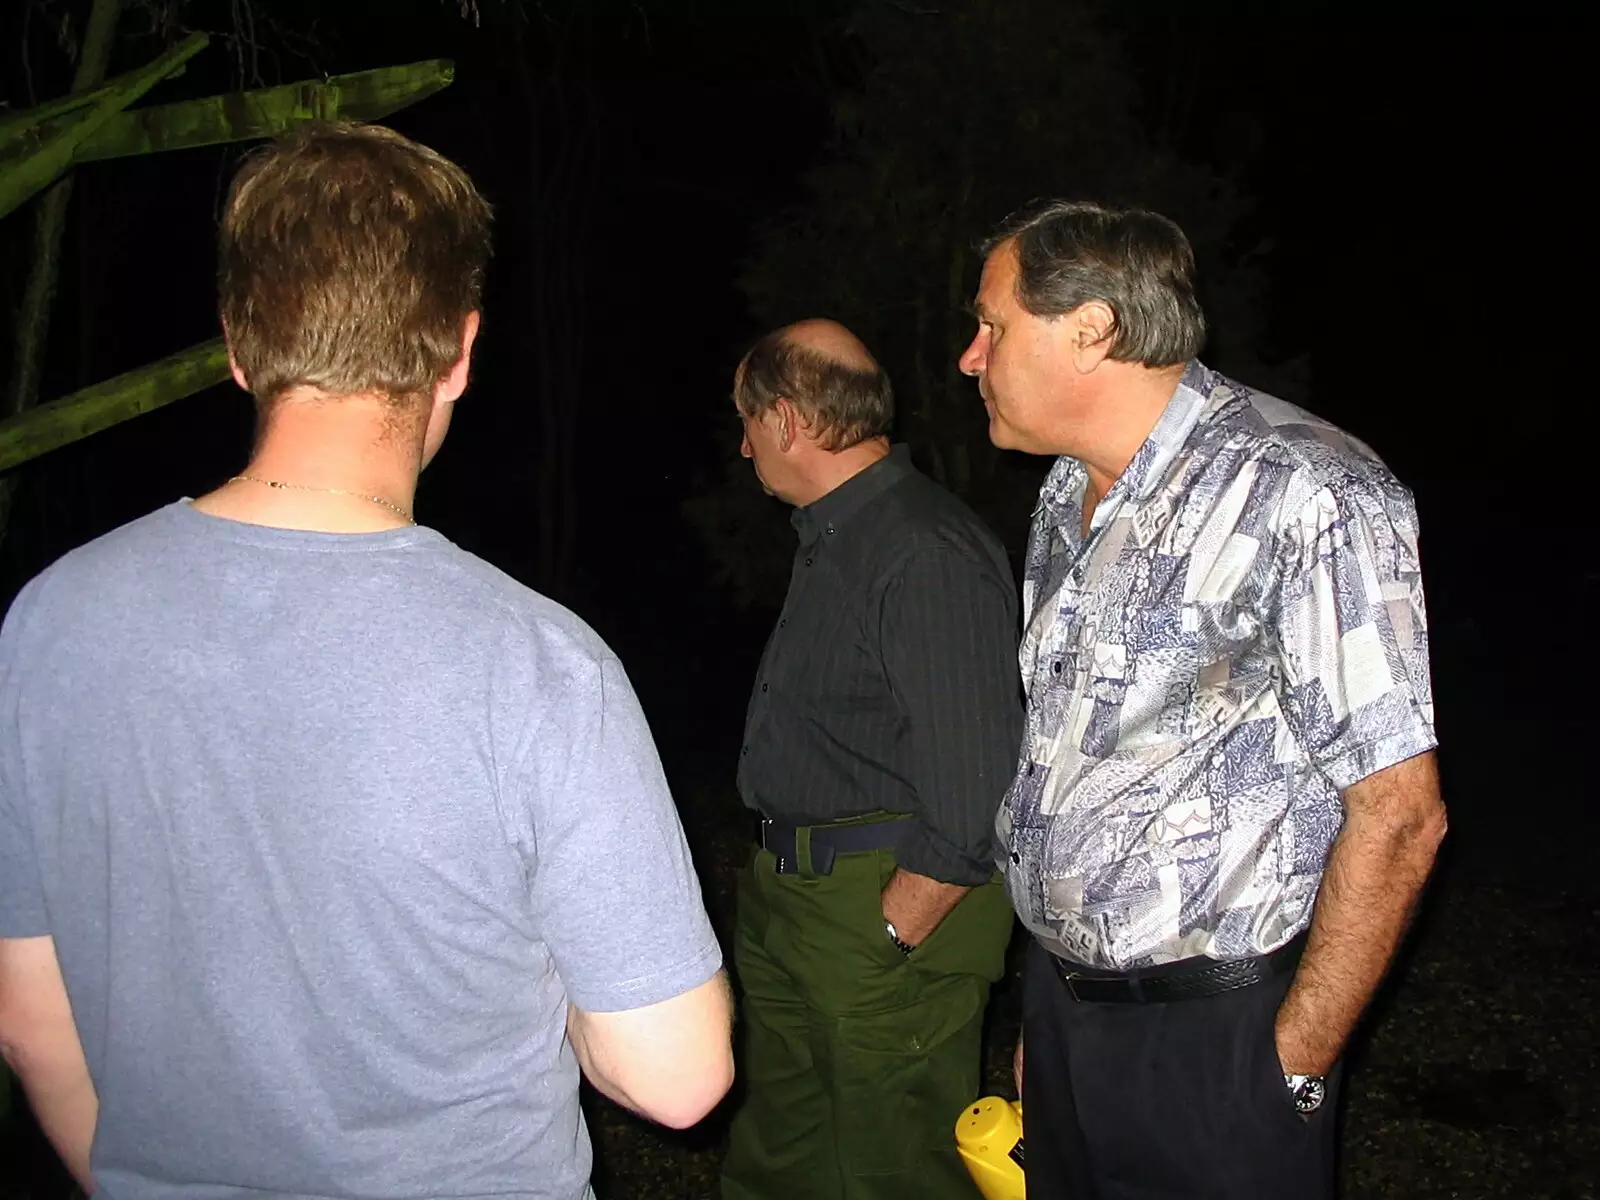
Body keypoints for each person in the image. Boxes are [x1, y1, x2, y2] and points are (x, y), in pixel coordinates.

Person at [0, 122, 732, 1200]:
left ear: (239, 344)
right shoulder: (536, 665)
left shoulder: (53, 619)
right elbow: (675, 1078)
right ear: (459, 349)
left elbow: (29, 1019)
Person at [957, 199, 1446, 1198]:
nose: (971, 357)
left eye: (993, 325)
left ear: (1090, 328)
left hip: (1216, 1039)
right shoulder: (1065, 490)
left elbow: (1399, 812)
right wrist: (1046, 1019)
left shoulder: (1304, 489)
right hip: (1064, 1014)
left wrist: (1292, 1064)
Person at [719, 319, 1022, 1200]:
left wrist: (893, 925)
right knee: (783, 1159)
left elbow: (977, 787)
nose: (743, 447)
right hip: (795, 900)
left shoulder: (922, 547)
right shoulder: (837, 538)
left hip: (882, 905)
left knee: (894, 1171)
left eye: (746, 422)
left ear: (786, 421)